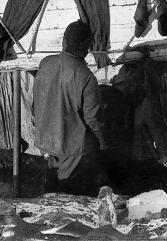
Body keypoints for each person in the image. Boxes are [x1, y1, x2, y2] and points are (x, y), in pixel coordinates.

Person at [32, 20, 109, 195]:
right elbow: (93, 119)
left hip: (47, 140)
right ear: (86, 47)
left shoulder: (45, 63)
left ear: (64, 42)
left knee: (53, 183)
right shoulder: (86, 76)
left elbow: (35, 103)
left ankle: (48, 212)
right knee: (70, 191)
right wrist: (103, 141)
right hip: (71, 145)